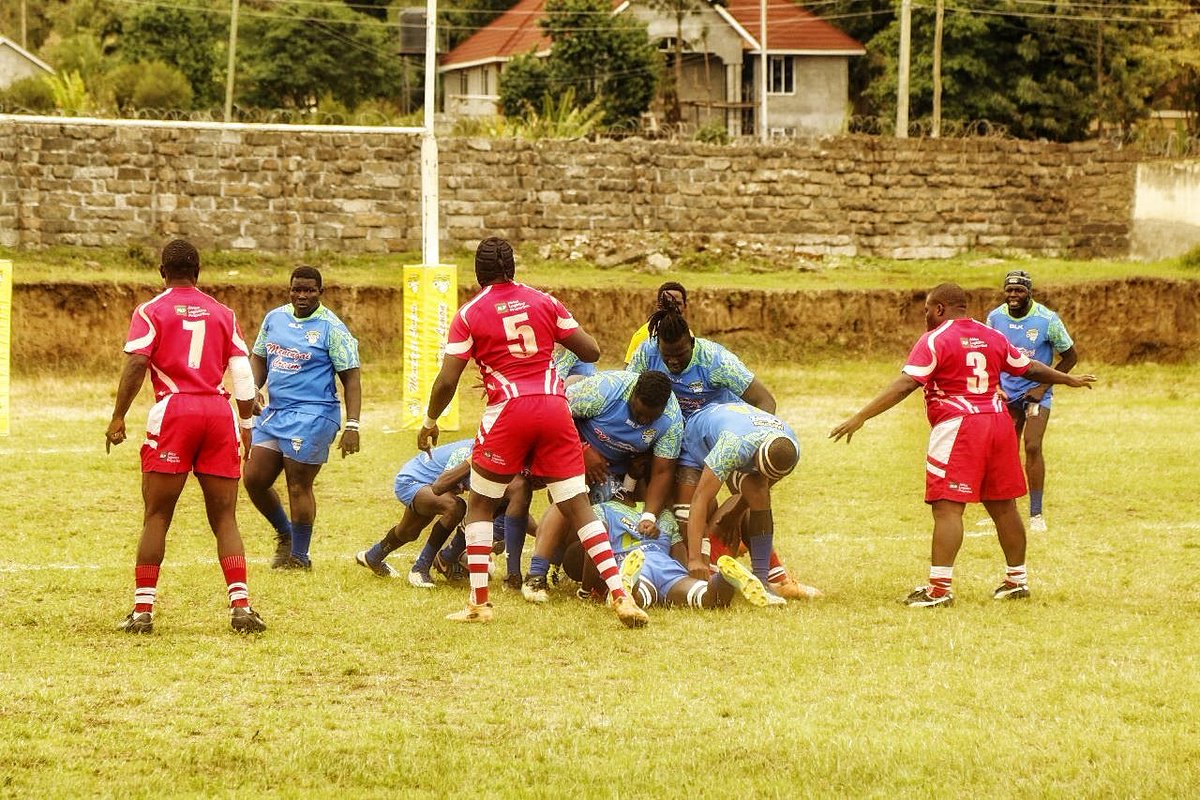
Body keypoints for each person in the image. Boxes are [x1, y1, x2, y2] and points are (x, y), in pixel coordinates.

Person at [418, 236, 648, 627]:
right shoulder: (544, 301)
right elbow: (590, 351)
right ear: (513, 268)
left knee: (481, 503)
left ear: (479, 273)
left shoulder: (470, 313)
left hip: (508, 409)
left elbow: (447, 380)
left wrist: (429, 420)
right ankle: (620, 596)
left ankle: (479, 603)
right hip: (554, 406)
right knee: (577, 505)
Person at [829, 283, 1095, 607]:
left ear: (939, 308)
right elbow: (1029, 367)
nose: (925, 316)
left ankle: (939, 590)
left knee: (947, 506)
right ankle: (1016, 580)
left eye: (927, 309)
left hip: (961, 425)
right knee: (1003, 504)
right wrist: (1067, 379)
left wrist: (861, 416)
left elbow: (905, 384)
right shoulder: (992, 335)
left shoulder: (936, 339)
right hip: (999, 421)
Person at [105, 239, 266, 634]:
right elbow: (243, 377)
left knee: (157, 514)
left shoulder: (150, 311)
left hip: (175, 410)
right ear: (198, 272)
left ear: (162, 272)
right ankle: (241, 607)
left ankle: (143, 611)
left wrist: (118, 416)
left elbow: (138, 362)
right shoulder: (223, 313)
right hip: (217, 411)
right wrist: (246, 428)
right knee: (225, 516)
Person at [520, 369, 684, 602]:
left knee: (610, 514)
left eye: (650, 418)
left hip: (615, 473)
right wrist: (582, 450)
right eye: (638, 413)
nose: (643, 421)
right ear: (632, 394)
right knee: (573, 495)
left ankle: (579, 566)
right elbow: (553, 413)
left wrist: (649, 514)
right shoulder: (605, 390)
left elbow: (662, 471)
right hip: (571, 449)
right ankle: (536, 574)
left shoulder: (671, 421)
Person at [243, 266, 362, 570]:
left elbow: (351, 378)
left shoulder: (331, 328)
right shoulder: (275, 318)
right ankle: (285, 534)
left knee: (298, 483)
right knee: (254, 478)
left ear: (320, 293)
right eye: (297, 289)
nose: (302, 296)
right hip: (276, 412)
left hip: (314, 414)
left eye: (309, 290)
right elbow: (259, 356)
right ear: (290, 289)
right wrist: (254, 387)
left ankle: (299, 556)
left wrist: (352, 425)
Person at [678, 401, 805, 604]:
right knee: (687, 510)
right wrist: (694, 559)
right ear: (755, 458)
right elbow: (700, 499)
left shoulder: (790, 448)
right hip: (697, 437)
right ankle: (702, 563)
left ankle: (762, 580)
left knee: (760, 493)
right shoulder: (732, 447)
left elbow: (764, 483)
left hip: (743, 436)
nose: (763, 477)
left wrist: (736, 513)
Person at [986, 270, 1077, 532]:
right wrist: (996, 386)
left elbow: (1071, 357)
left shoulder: (1047, 320)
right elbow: (989, 354)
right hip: (1007, 393)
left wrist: (1042, 386)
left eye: (1019, 291)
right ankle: (1007, 509)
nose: (1013, 296)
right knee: (1005, 450)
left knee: (1033, 446)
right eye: (1009, 290)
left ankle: (1036, 514)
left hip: (1037, 393)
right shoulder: (995, 318)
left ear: (1029, 292)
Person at [573, 499, 773, 610]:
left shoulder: (602, 509)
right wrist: (685, 573)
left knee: (640, 599)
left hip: (630, 561)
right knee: (708, 598)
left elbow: (594, 546)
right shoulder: (664, 515)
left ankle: (630, 584)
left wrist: (587, 589)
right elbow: (678, 551)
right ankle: (724, 579)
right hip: (666, 566)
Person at [624, 281, 688, 364]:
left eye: (677, 303)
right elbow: (629, 371)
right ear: (658, 305)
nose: (672, 307)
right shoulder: (644, 335)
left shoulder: (687, 333)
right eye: (667, 303)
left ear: (685, 306)